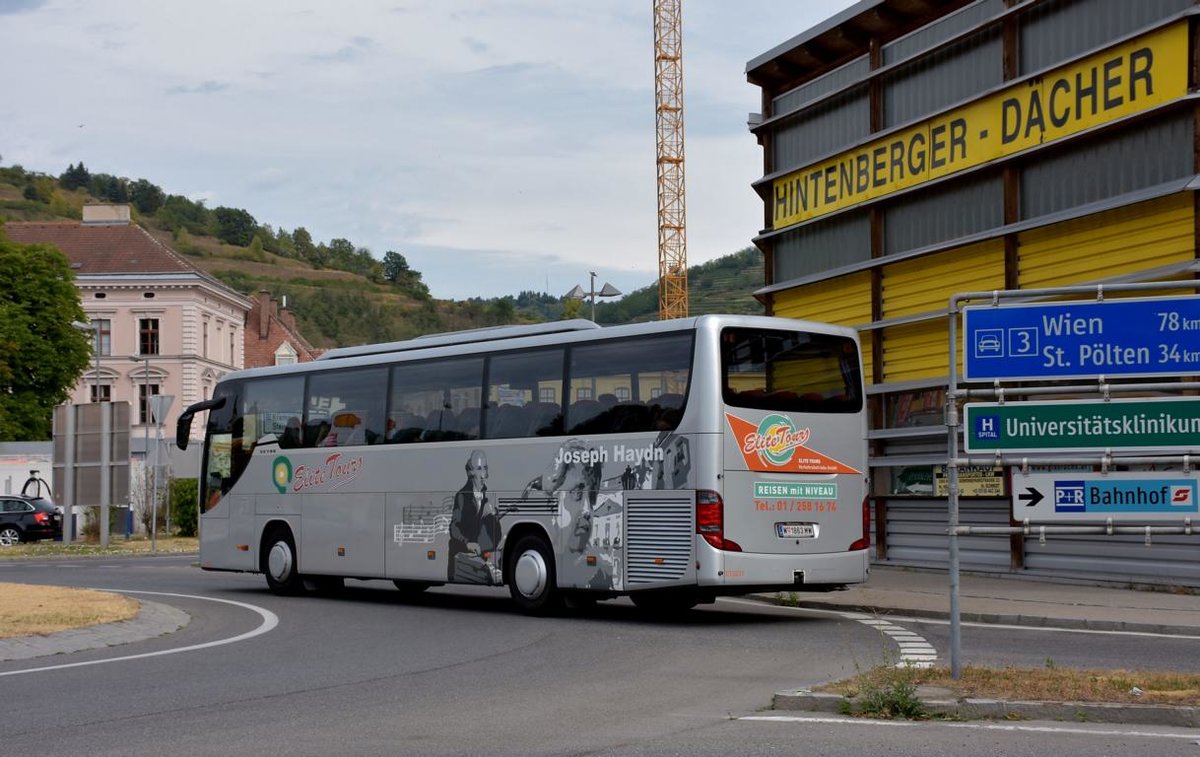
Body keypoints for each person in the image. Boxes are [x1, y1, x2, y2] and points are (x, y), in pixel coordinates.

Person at [446, 450, 501, 583]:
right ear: (471, 472)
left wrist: (493, 517)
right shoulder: (462, 496)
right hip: (462, 556)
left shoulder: (486, 499)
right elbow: (453, 527)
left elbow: (495, 538)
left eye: (485, 468)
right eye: (479, 469)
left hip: (478, 556)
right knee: (491, 576)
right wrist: (467, 543)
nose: (484, 475)